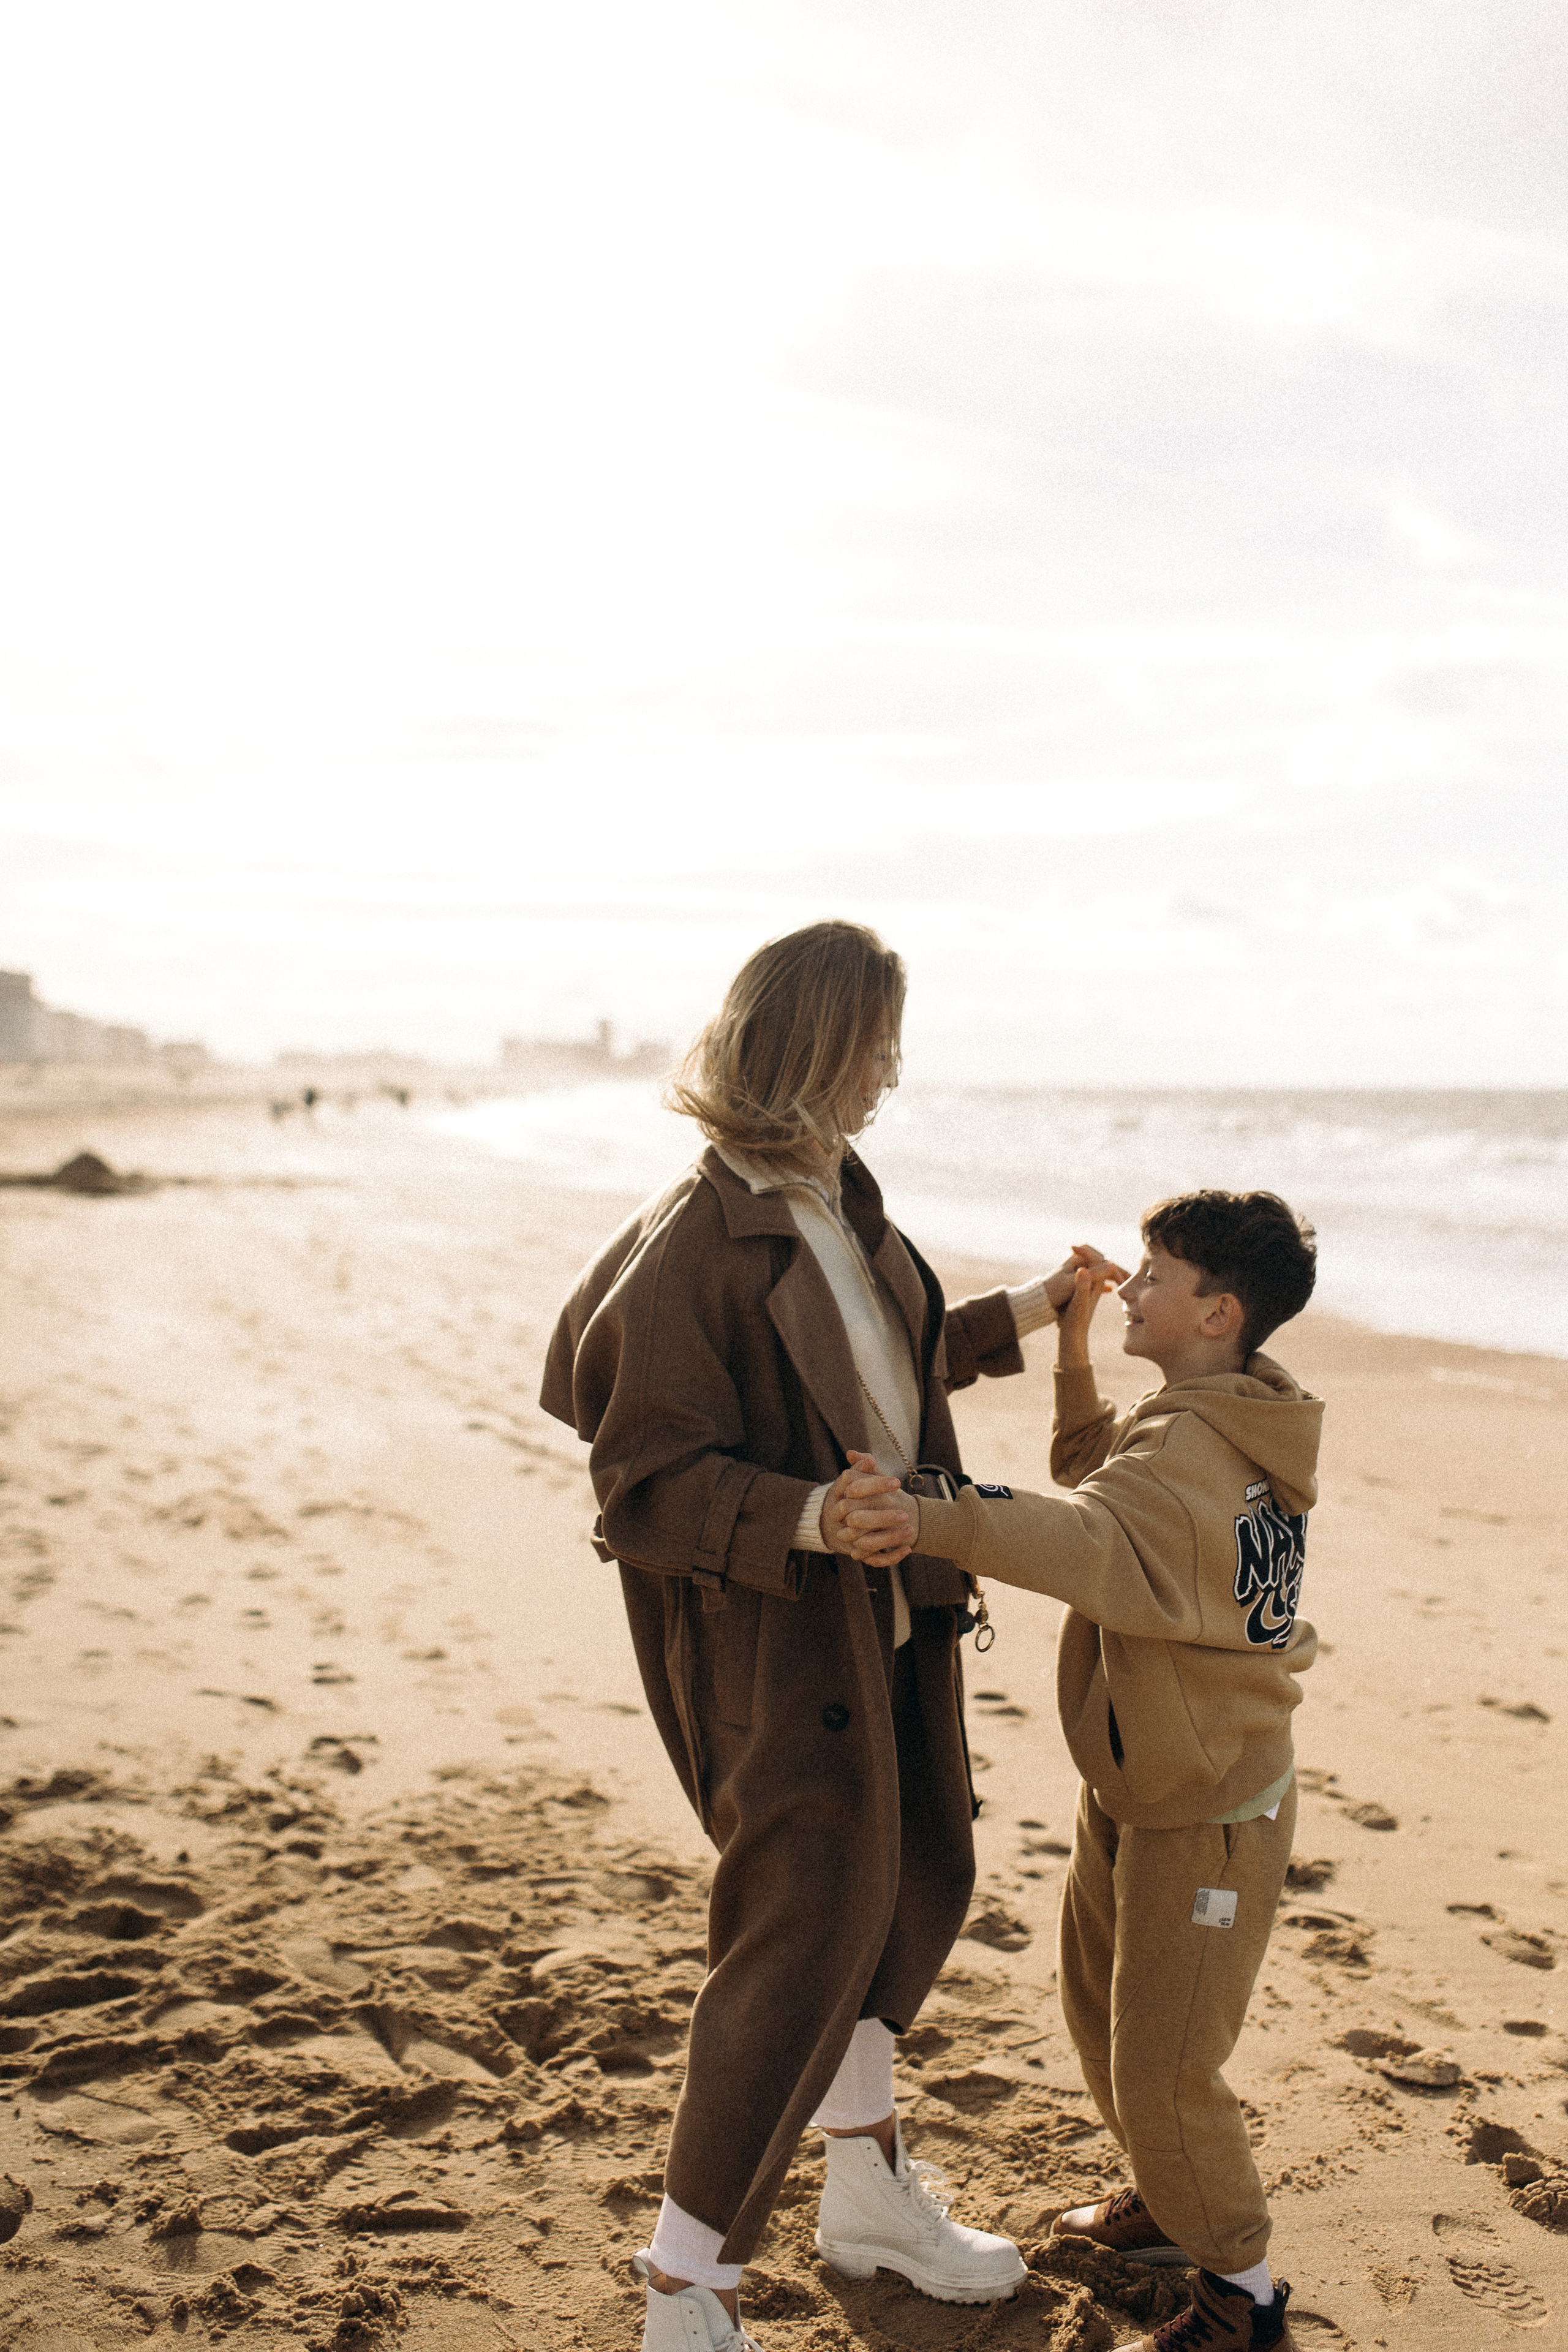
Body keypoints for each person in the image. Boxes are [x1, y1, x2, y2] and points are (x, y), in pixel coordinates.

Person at [540, 919, 1123, 2352]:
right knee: (798, 1933)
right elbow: (643, 1484)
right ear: (808, 1050)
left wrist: (1027, 1312)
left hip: (893, 1614)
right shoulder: (693, 1241)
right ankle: (685, 2290)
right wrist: (810, 1520)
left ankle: (862, 2193)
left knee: (911, 1879)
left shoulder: (837, 1194)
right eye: (874, 1049)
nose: (890, 1079)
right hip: (775, 1638)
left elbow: (880, 1352)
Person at [840, 1189, 1321, 2352]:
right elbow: (1090, 1467)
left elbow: (1088, 1539)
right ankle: (1168, 2206)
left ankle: (1243, 2296)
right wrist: (1067, 1340)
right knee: (1106, 2020)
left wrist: (931, 1514)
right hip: (1148, 1786)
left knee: (1165, 2070)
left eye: (1156, 1273)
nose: (1133, 1287)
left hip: (1207, 1809)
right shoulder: (1208, 1414)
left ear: (1217, 1311)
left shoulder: (1201, 1455)